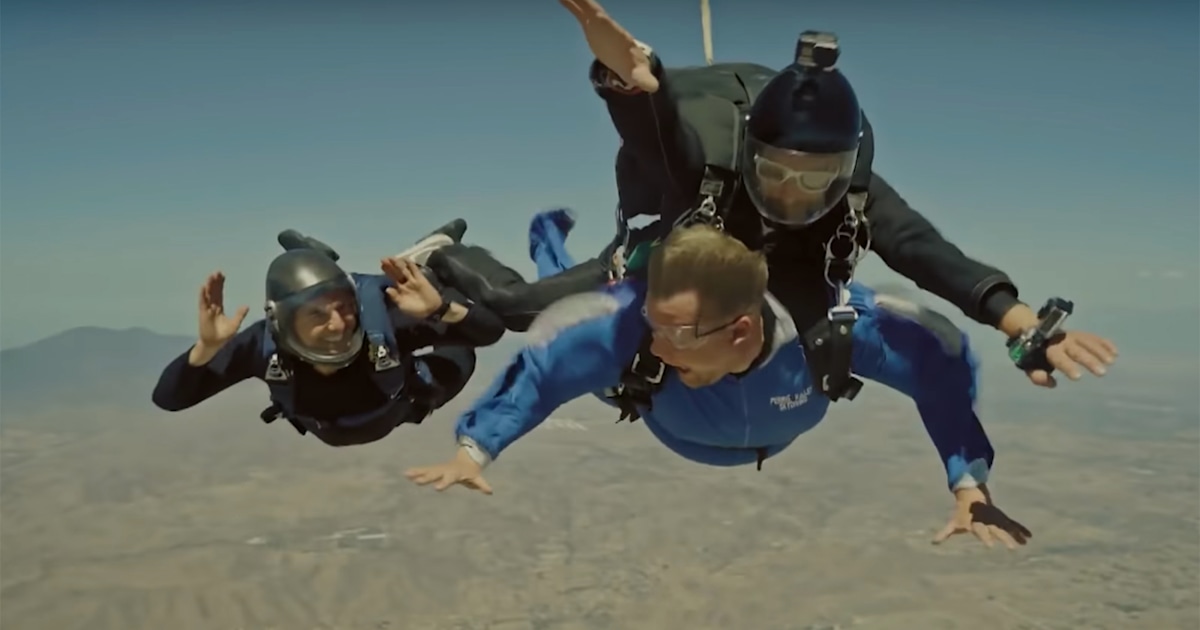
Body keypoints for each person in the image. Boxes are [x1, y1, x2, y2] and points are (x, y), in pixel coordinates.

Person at [431, 0, 1117, 402]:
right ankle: (449, 255)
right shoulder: (709, 165)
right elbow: (656, 127)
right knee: (521, 311)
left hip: (776, 257)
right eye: (780, 171)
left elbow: (924, 251)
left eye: (815, 177)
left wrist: (1019, 321)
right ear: (753, 154)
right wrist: (631, 79)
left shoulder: (853, 193)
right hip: (686, 233)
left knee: (825, 347)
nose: (794, 189)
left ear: (843, 167)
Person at [405, 220, 1033, 550]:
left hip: (756, 426)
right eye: (653, 325)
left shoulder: (835, 327)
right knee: (573, 318)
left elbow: (940, 361)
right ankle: (550, 243)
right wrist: (475, 448)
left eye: (675, 334)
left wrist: (968, 479)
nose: (654, 344)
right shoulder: (631, 331)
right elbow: (541, 370)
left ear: (738, 331)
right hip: (674, 420)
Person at [151, 223, 506, 447]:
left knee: (461, 353)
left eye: (343, 307)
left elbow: (489, 331)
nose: (337, 324)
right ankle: (319, 263)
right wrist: (206, 348)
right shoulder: (263, 345)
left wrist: (440, 307)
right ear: (284, 320)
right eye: (316, 314)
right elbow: (170, 397)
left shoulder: (381, 322)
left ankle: (425, 272)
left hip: (401, 405)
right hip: (333, 430)